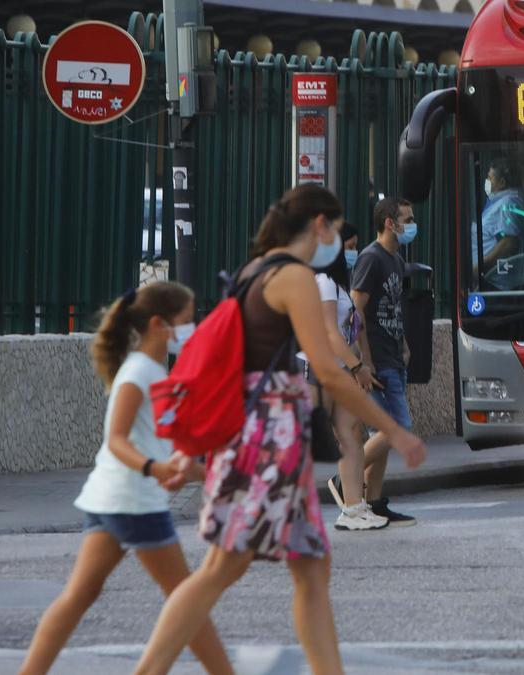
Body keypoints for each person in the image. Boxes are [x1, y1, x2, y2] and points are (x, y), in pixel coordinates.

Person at [133, 185, 427, 675]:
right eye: (335, 230)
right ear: (319, 225)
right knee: (222, 570)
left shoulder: (256, 270)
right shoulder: (292, 277)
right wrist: (393, 432)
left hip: (266, 438)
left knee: (310, 572)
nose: (338, 243)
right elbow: (328, 368)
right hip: (266, 441)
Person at [20, 283, 233, 675]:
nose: (192, 328)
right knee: (187, 602)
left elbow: (157, 446)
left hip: (111, 498)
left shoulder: (150, 370)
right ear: (158, 324)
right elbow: (116, 440)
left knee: (81, 595)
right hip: (135, 501)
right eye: (186, 321)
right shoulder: (138, 373)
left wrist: (211, 476)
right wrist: (154, 469)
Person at [300, 229, 389, 531]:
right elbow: (330, 332)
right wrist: (358, 366)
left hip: (335, 367)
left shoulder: (335, 283)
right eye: (349, 247)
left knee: (351, 435)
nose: (354, 252)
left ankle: (353, 509)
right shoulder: (324, 282)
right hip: (320, 368)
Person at [352, 197, 420, 526]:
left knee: (383, 431)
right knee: (397, 427)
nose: (413, 224)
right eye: (408, 219)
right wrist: (364, 359)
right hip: (377, 359)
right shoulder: (371, 258)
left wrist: (403, 342)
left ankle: (373, 503)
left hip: (393, 355)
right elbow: (356, 309)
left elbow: (392, 306)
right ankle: (344, 479)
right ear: (390, 223)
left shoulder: (395, 260)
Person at [473, 158, 524, 288]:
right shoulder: (497, 201)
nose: (487, 181)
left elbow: (509, 243)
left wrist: (480, 267)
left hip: (495, 284)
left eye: (490, 178)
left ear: (502, 182)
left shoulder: (508, 202)